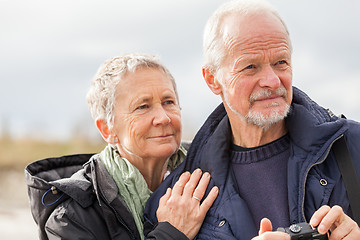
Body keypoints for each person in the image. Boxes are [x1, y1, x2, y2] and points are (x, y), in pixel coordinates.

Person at [144, 1, 360, 239]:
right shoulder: (172, 205)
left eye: (280, 63)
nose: (272, 81)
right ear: (212, 79)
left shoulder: (353, 147)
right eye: (250, 67)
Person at [25, 53, 218, 240]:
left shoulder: (214, 170)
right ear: (107, 129)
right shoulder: (70, 218)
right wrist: (171, 233)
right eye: (143, 107)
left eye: (168, 102)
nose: (163, 117)